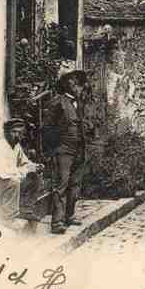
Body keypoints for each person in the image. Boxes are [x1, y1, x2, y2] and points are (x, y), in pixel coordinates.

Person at [43, 69, 87, 235]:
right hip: (63, 150)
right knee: (61, 184)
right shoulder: (57, 102)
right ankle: (57, 222)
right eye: (74, 82)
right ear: (67, 84)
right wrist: (54, 148)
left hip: (79, 149)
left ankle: (69, 215)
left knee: (75, 184)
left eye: (79, 83)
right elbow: (48, 127)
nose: (78, 86)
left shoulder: (78, 103)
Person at [0, 118, 40, 229]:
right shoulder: (0, 145)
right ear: (7, 132)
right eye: (14, 132)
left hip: (7, 180)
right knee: (14, 181)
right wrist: (22, 172)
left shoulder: (16, 146)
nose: (17, 135)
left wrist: (35, 166)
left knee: (34, 177)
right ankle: (7, 218)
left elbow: (25, 162)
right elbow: (3, 172)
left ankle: (25, 209)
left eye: (20, 133)